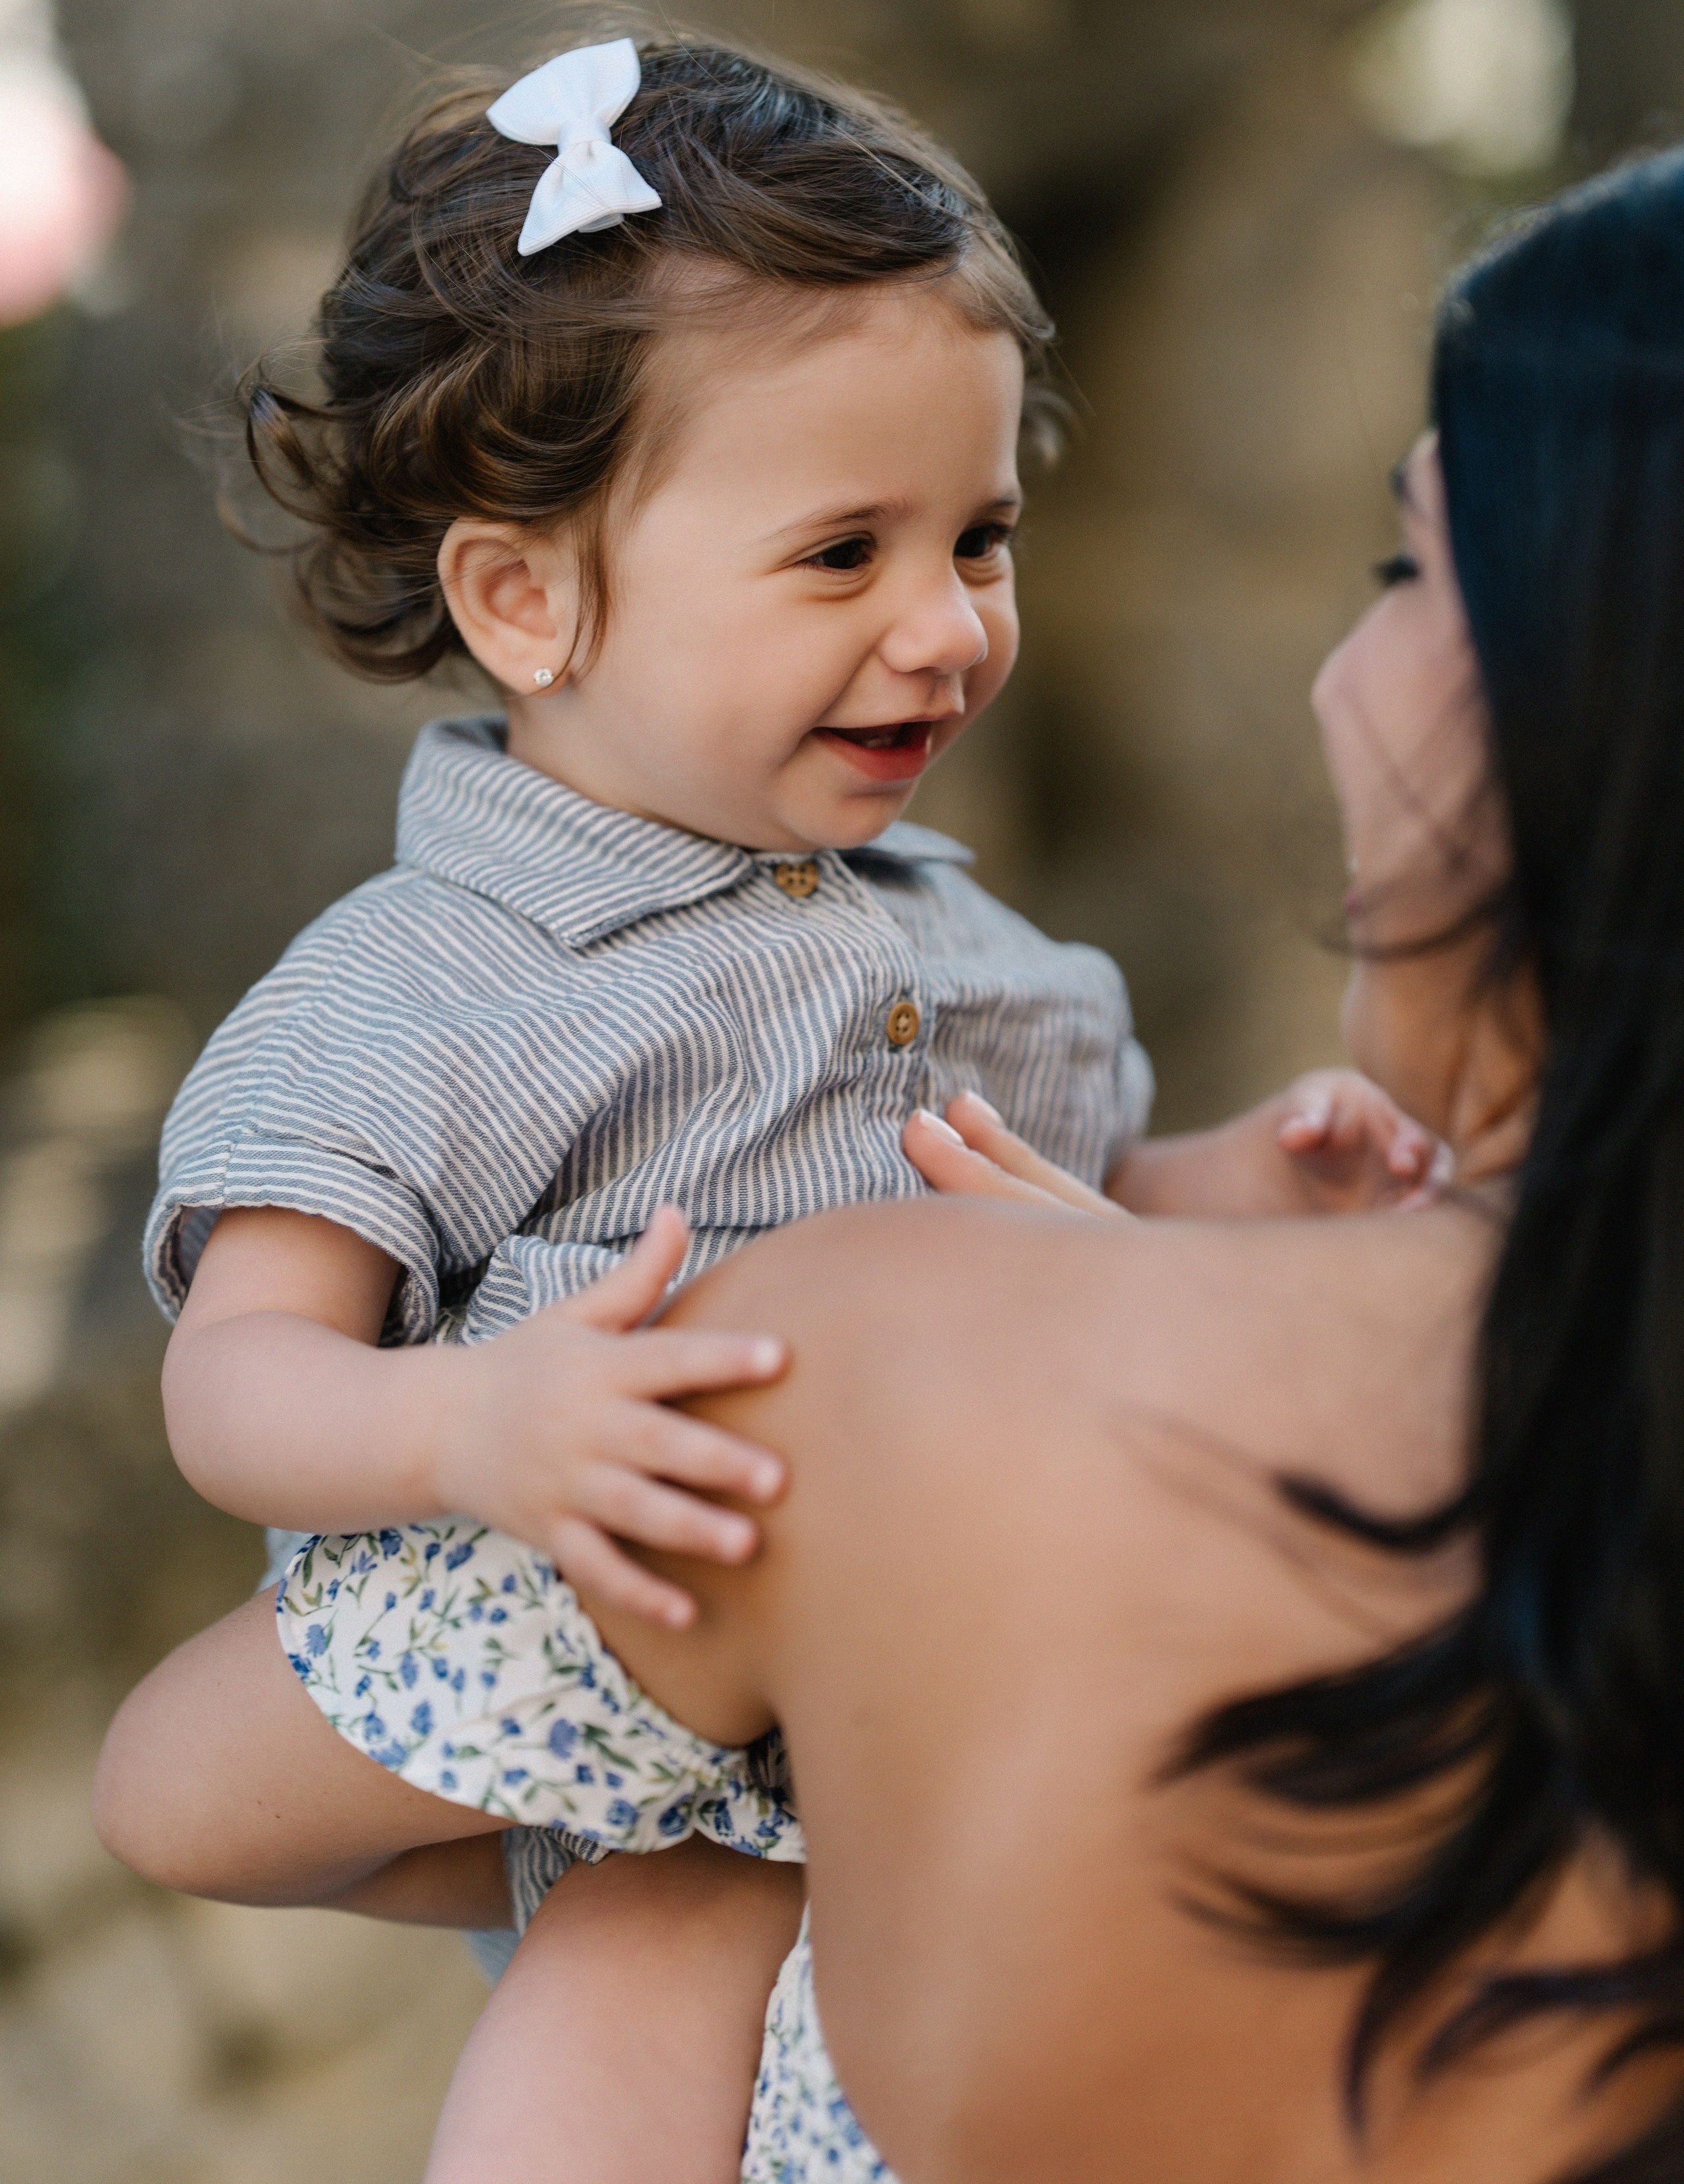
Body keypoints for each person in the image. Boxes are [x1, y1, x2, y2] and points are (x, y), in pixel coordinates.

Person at [96, 148, 1684, 2180]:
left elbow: (1050, 1183)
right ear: (523, 597)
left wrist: (1202, 1199)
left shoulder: (946, 963)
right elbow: (236, 1377)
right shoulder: (416, 988)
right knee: (624, 1979)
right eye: (844, 553)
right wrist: (478, 1426)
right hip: (613, 1664)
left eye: (985, 540)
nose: (948, 627)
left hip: (762, 1720)